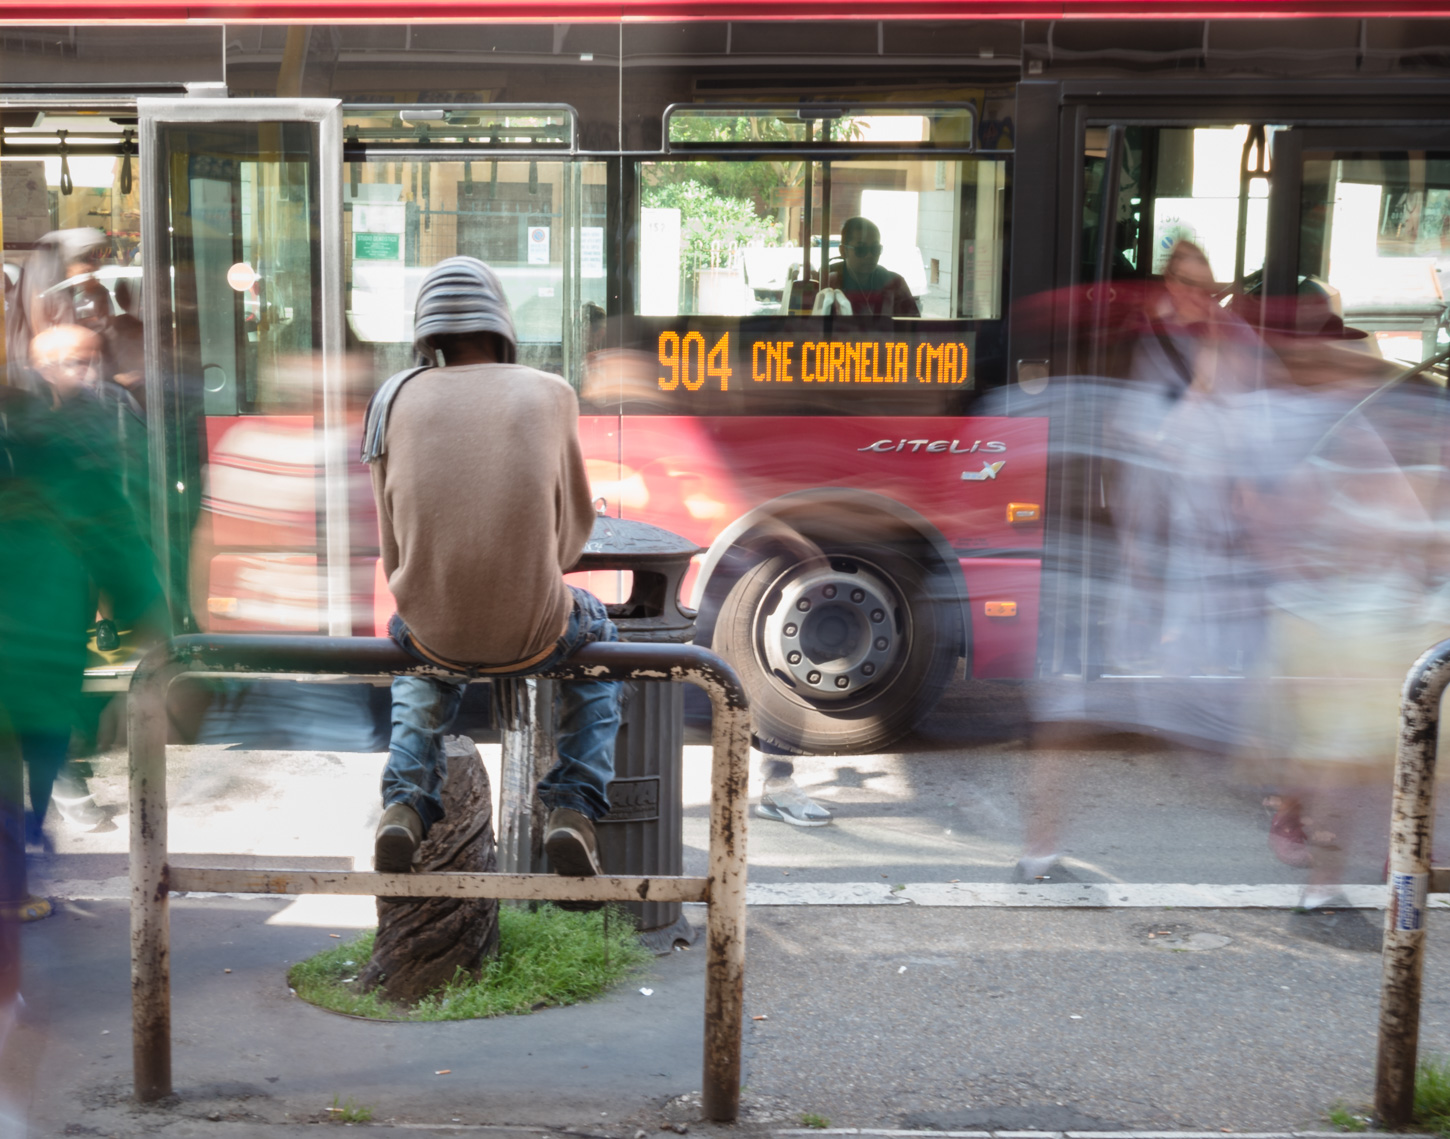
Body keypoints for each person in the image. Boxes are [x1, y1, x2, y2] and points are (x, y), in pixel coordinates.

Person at [361, 256, 623, 877]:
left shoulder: (391, 401)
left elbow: (392, 544)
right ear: (502, 327)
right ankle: (573, 807)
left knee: (420, 661)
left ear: (427, 335)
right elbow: (569, 542)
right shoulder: (550, 393)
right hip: (535, 633)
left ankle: (404, 801)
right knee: (602, 645)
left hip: (434, 627)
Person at [826, 217, 920, 318]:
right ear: (843, 251)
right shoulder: (829, 284)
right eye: (861, 249)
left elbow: (913, 328)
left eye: (875, 249)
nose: (870, 255)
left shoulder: (895, 284)